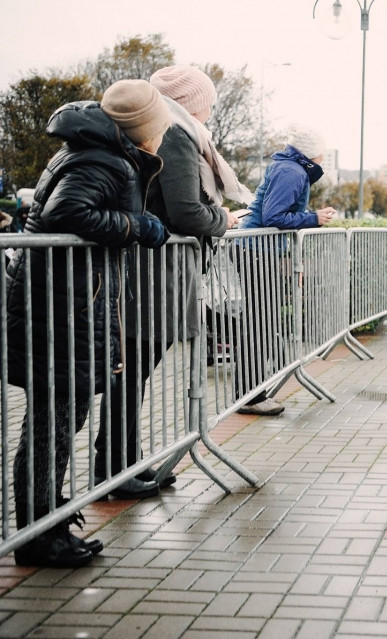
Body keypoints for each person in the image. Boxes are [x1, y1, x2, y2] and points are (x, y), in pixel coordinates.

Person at [5, 79, 171, 566]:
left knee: (56, 421)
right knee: (52, 424)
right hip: (63, 311)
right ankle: (38, 535)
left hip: (63, 305)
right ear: (144, 130)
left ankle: (46, 520)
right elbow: (68, 211)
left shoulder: (92, 151)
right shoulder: (106, 159)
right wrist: (137, 226)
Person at [94, 65, 248, 499]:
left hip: (147, 267)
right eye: (210, 103)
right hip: (155, 272)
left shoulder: (164, 132)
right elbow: (185, 212)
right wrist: (224, 219)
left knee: (132, 369)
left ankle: (121, 463)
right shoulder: (178, 135)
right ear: (194, 103)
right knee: (134, 368)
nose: (212, 112)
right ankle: (115, 469)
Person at [231, 128, 336, 416]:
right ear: (312, 152)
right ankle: (249, 396)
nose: (325, 155)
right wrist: (314, 218)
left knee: (259, 322)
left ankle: (250, 393)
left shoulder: (289, 168)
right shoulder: (293, 171)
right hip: (256, 251)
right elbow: (274, 216)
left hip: (257, 250)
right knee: (259, 324)